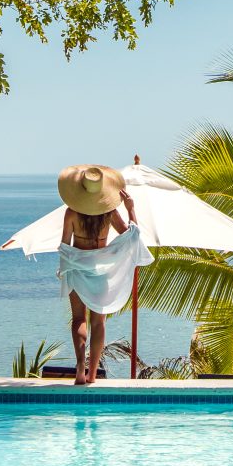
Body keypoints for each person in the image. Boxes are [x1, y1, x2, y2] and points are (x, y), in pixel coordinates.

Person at [55, 164, 149, 384]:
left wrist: (66, 268)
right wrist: (131, 208)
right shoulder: (110, 213)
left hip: (77, 269)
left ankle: (80, 366)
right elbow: (131, 236)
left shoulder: (71, 213)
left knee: (79, 319)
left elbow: (64, 246)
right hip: (102, 271)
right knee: (99, 322)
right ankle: (93, 373)